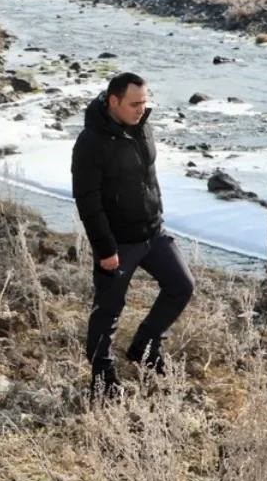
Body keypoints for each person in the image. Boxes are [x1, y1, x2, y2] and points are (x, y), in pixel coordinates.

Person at [71, 72, 195, 400]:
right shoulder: (90, 142)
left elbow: (148, 179)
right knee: (108, 311)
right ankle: (103, 379)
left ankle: (145, 346)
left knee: (181, 285)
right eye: (134, 104)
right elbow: (88, 201)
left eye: (144, 101)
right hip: (117, 242)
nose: (142, 109)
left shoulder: (143, 127)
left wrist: (157, 215)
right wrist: (104, 247)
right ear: (113, 102)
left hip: (153, 232)